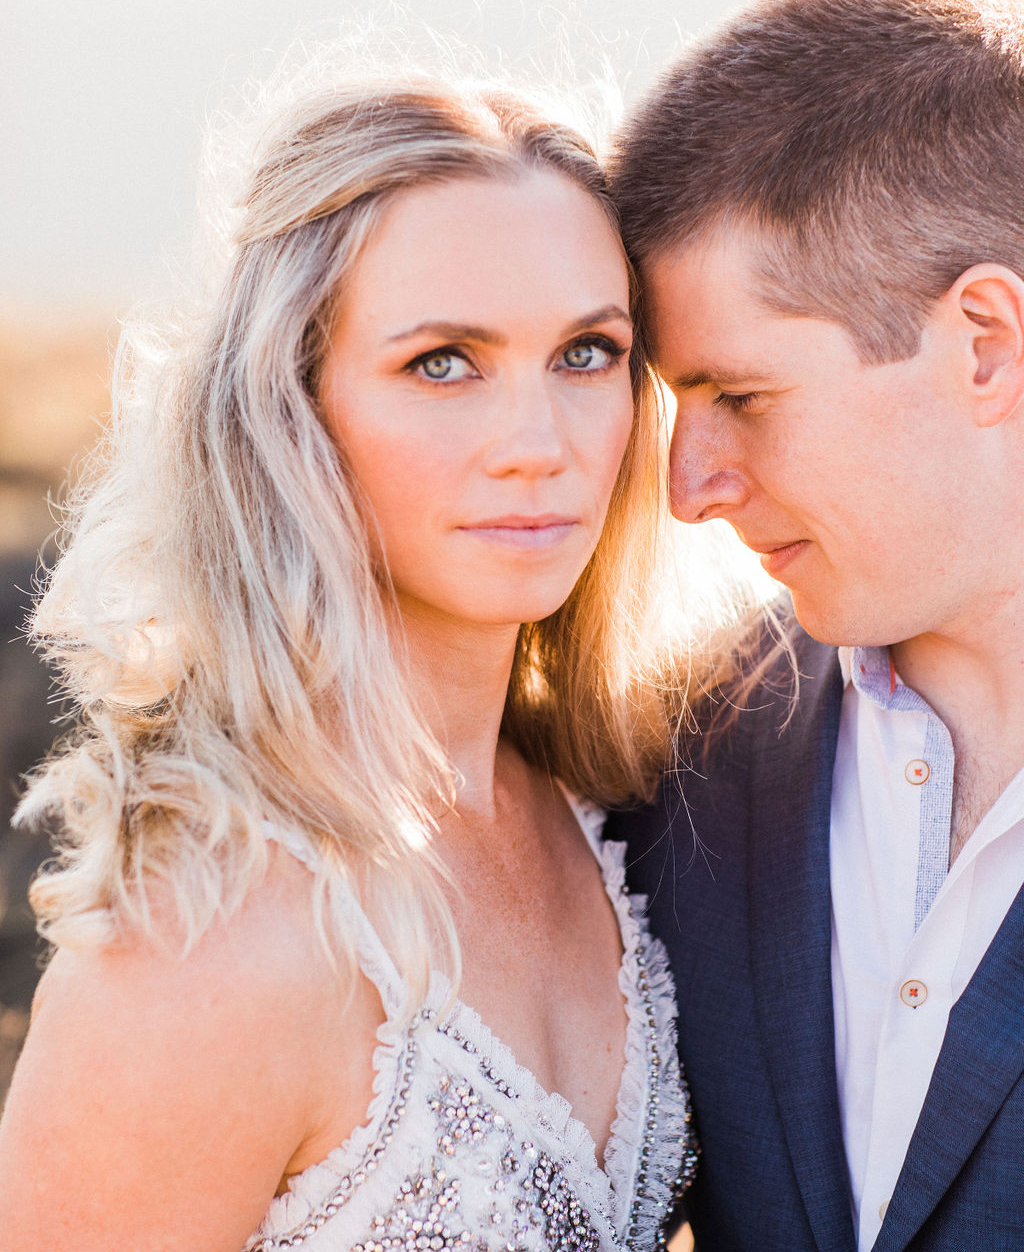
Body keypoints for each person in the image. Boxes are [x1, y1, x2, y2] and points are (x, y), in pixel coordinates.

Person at [0, 74, 698, 1249]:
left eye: (586, 352)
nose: (539, 446)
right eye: (442, 362)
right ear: (290, 407)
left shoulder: (603, 809)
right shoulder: (202, 939)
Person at [608, 0, 1024, 1252]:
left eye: (738, 394)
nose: (689, 486)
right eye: (670, 405)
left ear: (984, 343)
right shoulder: (671, 763)